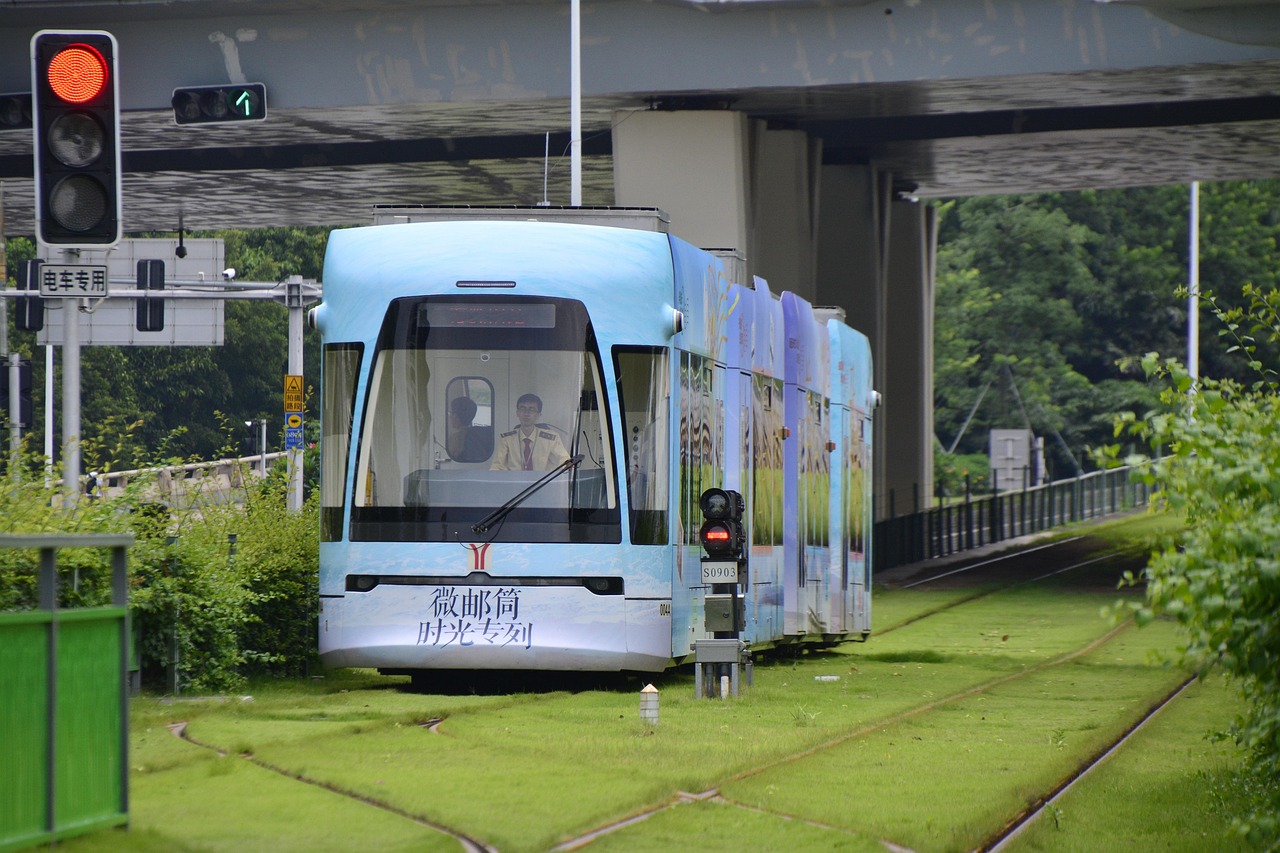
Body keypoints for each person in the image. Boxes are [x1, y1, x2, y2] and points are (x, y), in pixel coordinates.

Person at [491, 393, 570, 471]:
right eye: (522, 409)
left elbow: (564, 461)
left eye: (531, 410)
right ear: (517, 413)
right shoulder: (506, 439)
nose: (526, 413)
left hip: (543, 482)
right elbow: (497, 467)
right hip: (514, 482)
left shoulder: (550, 439)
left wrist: (567, 466)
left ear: (538, 415)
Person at [446, 396, 493, 462]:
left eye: (450, 413)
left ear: (456, 416)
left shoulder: (454, 439)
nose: (449, 416)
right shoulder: (482, 433)